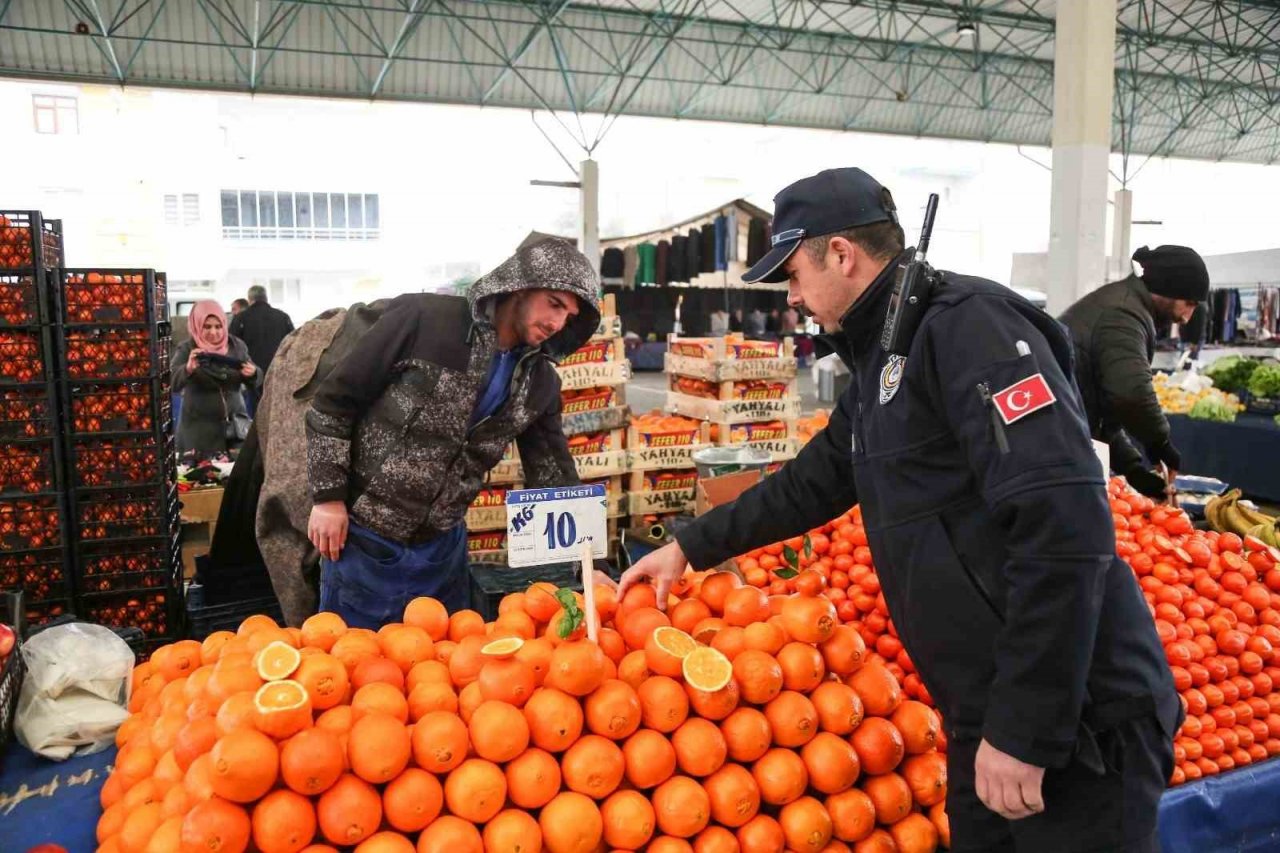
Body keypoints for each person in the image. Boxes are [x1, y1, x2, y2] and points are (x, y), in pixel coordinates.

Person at [619, 168, 1181, 853]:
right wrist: (689, 547)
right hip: (987, 708)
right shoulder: (889, 355)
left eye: (793, 274)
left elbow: (1063, 531)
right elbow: (811, 483)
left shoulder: (969, 330)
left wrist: (1024, 727)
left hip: (1076, 719)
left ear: (842, 255)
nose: (791, 298)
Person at [304, 237, 602, 626]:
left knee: (444, 672)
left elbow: (553, 475)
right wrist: (328, 499)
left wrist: (586, 565)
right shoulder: (423, 319)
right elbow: (334, 403)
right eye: (554, 304)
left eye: (569, 316)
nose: (558, 323)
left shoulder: (539, 383)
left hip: (442, 551)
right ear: (519, 286)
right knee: (356, 669)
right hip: (364, 538)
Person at [1059, 245, 1209, 501]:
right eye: (1189, 304)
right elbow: (1130, 395)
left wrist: (1133, 469)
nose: (1187, 318)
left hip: (1063, 431)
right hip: (1056, 442)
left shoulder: (1125, 304)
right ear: (1167, 289)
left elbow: (1100, 410)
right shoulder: (1123, 315)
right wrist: (1159, 443)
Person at [171, 300, 259, 456]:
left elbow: (255, 377)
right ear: (196, 325)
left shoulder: (237, 345)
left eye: (218, 327)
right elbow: (171, 383)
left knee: (236, 477)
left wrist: (253, 373)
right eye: (207, 326)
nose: (213, 332)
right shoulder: (187, 349)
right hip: (198, 435)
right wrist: (188, 369)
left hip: (235, 432)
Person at [230, 285, 295, 412]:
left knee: (255, 412)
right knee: (276, 412)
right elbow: (293, 344)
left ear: (249, 299)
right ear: (266, 298)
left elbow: (231, 346)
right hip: (277, 374)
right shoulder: (283, 317)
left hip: (250, 374)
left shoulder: (241, 318)